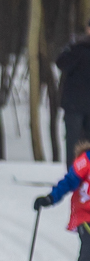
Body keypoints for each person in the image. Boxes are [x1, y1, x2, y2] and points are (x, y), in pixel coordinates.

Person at [33, 141, 90, 261]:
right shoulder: (85, 161)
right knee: (88, 248)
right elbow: (69, 182)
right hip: (84, 214)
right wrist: (50, 198)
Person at [56, 20, 90, 168]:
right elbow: (61, 63)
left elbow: (61, 63)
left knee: (76, 143)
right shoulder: (78, 48)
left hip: (75, 104)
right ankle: (75, 176)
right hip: (75, 105)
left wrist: (68, 49)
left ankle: (78, 177)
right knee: (75, 143)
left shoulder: (77, 47)